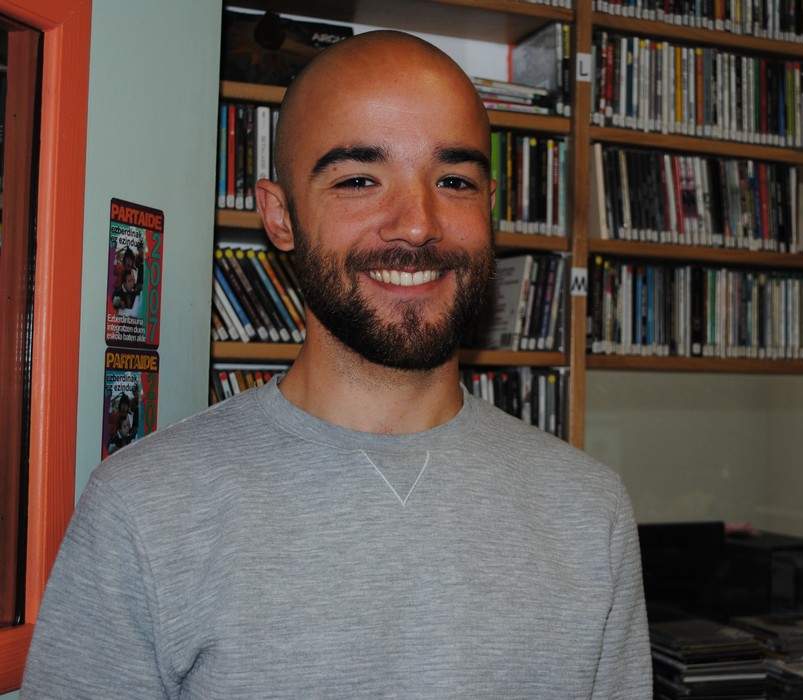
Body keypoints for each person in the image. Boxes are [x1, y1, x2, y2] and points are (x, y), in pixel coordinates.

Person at [23, 31, 651, 698]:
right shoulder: (143, 509)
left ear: (488, 207)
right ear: (280, 215)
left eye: (454, 181)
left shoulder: (589, 511)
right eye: (358, 180)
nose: (418, 224)